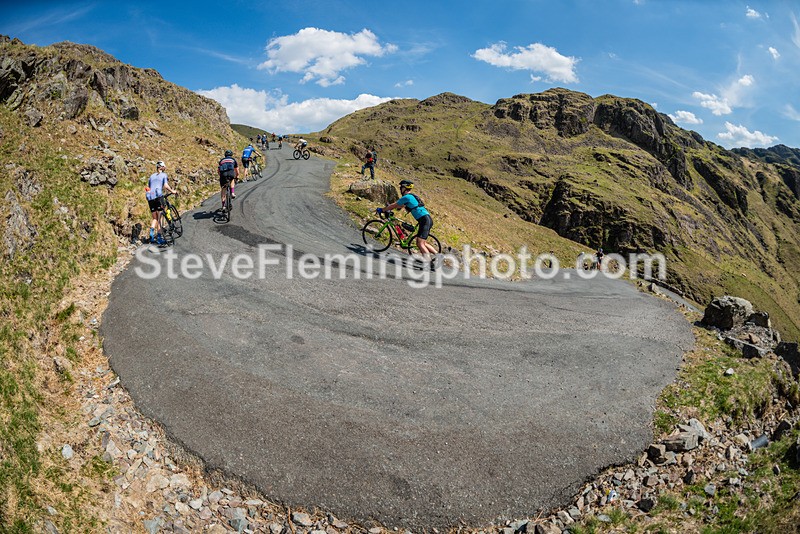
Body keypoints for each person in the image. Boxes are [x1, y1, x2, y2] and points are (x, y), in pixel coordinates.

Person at [377, 179, 438, 269]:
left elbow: (394, 205)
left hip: (424, 220)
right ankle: (438, 255)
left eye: (401, 187)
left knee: (420, 244)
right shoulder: (411, 197)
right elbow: (400, 206)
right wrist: (389, 208)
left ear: (404, 188)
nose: (400, 189)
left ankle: (429, 264)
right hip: (426, 219)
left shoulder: (406, 197)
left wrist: (382, 209)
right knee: (423, 242)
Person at [145, 160, 177, 244]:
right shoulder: (163, 175)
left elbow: (149, 187)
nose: (165, 167)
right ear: (161, 167)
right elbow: (165, 186)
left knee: (154, 218)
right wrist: (172, 191)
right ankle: (159, 238)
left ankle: (151, 236)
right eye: (164, 166)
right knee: (160, 218)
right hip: (158, 197)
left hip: (150, 197)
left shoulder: (151, 176)